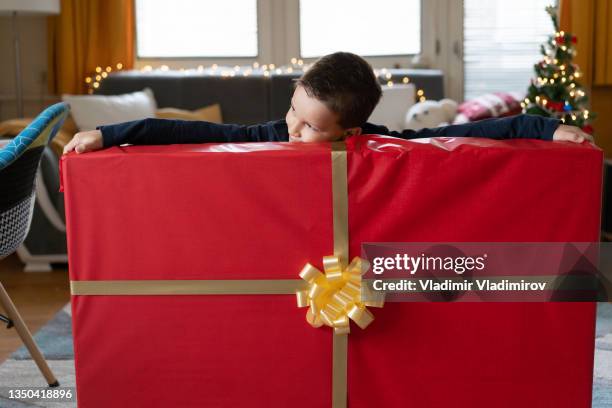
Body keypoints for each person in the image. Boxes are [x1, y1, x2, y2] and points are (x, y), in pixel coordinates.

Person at [63, 52, 592, 155]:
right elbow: (182, 133)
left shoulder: (379, 142)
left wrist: (543, 128)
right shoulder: (270, 135)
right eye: (294, 109)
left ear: (349, 131)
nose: (293, 128)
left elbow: (458, 135)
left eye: (311, 126)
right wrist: (110, 133)